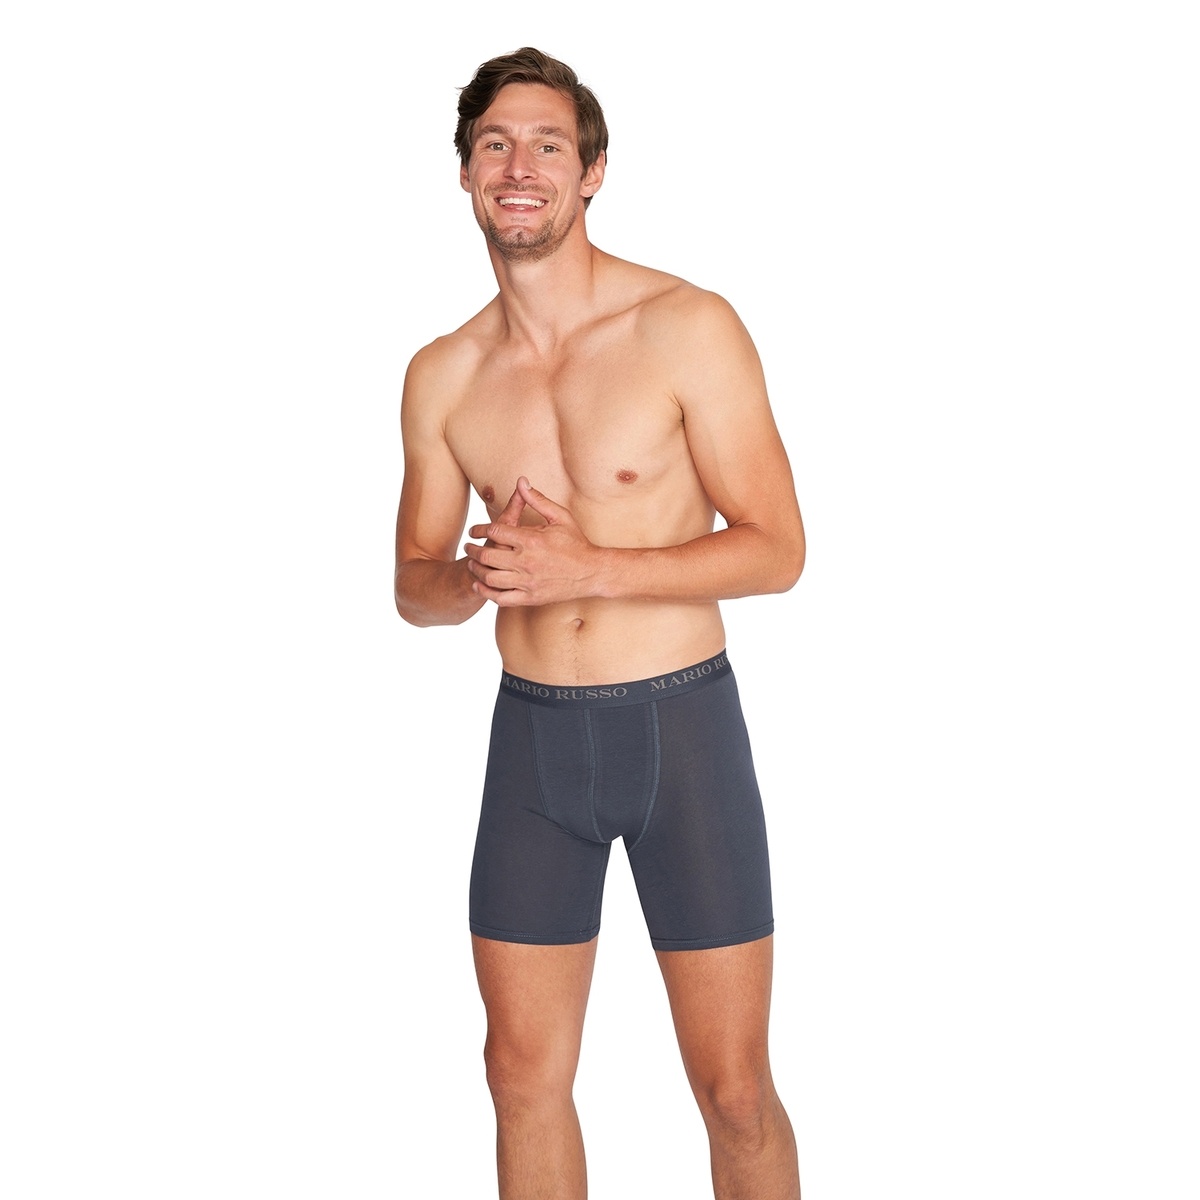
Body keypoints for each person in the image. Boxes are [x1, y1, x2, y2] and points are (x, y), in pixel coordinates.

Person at [394, 47, 806, 1200]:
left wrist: (591, 567)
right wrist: (473, 579)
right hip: (533, 744)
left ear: (593, 172)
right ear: (466, 171)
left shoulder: (685, 326)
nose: (519, 167)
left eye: (548, 145)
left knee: (733, 1089)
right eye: (495, 145)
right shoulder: (444, 374)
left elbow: (777, 549)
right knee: (519, 1077)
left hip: (681, 734)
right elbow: (413, 582)